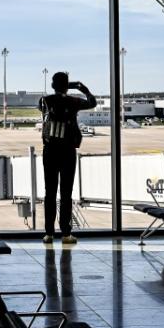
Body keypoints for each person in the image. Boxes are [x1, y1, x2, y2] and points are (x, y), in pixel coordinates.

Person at [38, 72, 96, 245]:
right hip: (67, 151)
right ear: (67, 85)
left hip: (49, 150)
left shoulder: (44, 100)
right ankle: (65, 234)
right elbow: (92, 103)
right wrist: (83, 89)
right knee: (66, 193)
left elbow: (43, 109)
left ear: (53, 85)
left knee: (50, 192)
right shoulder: (73, 102)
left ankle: (48, 234)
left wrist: (60, 91)